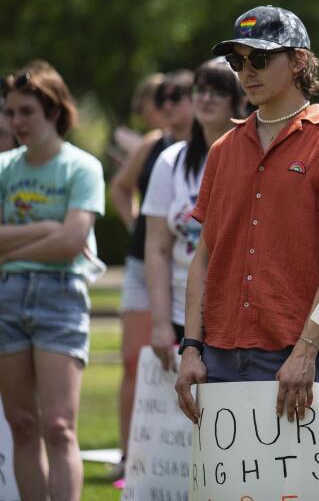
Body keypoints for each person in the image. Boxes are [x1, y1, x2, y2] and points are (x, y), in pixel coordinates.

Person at [173, 5, 319, 425]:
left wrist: (306, 350)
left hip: (293, 355)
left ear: (299, 61)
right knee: (226, 494)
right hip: (217, 355)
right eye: (237, 61)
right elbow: (203, 257)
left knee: (294, 491)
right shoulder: (224, 149)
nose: (246, 72)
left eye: (259, 59)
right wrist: (190, 346)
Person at [0, 61, 105, 501]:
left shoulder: (81, 167)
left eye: (26, 111)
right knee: (23, 425)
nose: (17, 122)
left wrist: (13, 249)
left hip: (60, 297)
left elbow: (71, 241)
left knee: (59, 427)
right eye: (12, 112)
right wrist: (47, 229)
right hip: (7, 300)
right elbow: (59, 234)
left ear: (54, 112)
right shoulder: (4, 167)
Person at [106, 70, 192, 484]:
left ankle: (174, 457)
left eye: (178, 96)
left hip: (185, 266)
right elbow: (119, 187)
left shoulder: (214, 149)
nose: (169, 105)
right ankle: (129, 454)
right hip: (144, 266)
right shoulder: (153, 145)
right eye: (165, 97)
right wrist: (137, 224)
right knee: (133, 361)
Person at [143, 59, 244, 371]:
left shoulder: (258, 160)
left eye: (219, 90)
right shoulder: (171, 161)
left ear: (240, 100)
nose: (206, 98)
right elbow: (157, 248)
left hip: (239, 313)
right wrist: (160, 323)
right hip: (180, 313)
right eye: (200, 89)